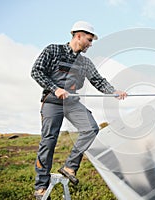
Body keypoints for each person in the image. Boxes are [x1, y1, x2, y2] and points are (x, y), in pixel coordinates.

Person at [31, 21, 127, 199]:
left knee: (91, 128)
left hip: (72, 102)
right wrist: (55, 88)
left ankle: (69, 167)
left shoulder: (85, 62)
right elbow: (36, 71)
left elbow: (98, 80)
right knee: (48, 142)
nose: (90, 44)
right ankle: (41, 187)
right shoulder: (53, 50)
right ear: (78, 36)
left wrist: (113, 91)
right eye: (89, 40)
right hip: (52, 102)